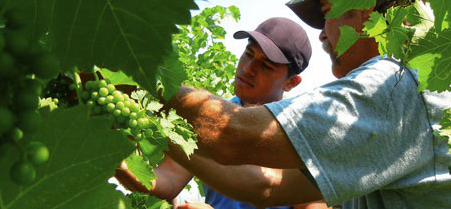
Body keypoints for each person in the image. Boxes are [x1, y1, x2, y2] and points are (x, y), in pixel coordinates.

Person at [161, 0, 451, 208]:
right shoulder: (438, 75)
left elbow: (231, 136)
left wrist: (146, 80)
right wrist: (156, 124)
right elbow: (266, 185)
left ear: (366, 8)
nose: (322, 34)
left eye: (328, 12)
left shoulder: (399, 85)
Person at [115, 17, 330, 209]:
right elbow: (168, 179)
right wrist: (117, 159)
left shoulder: (303, 135)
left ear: (291, 82)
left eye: (265, 65)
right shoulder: (209, 121)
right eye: (248, 54)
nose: (248, 68)